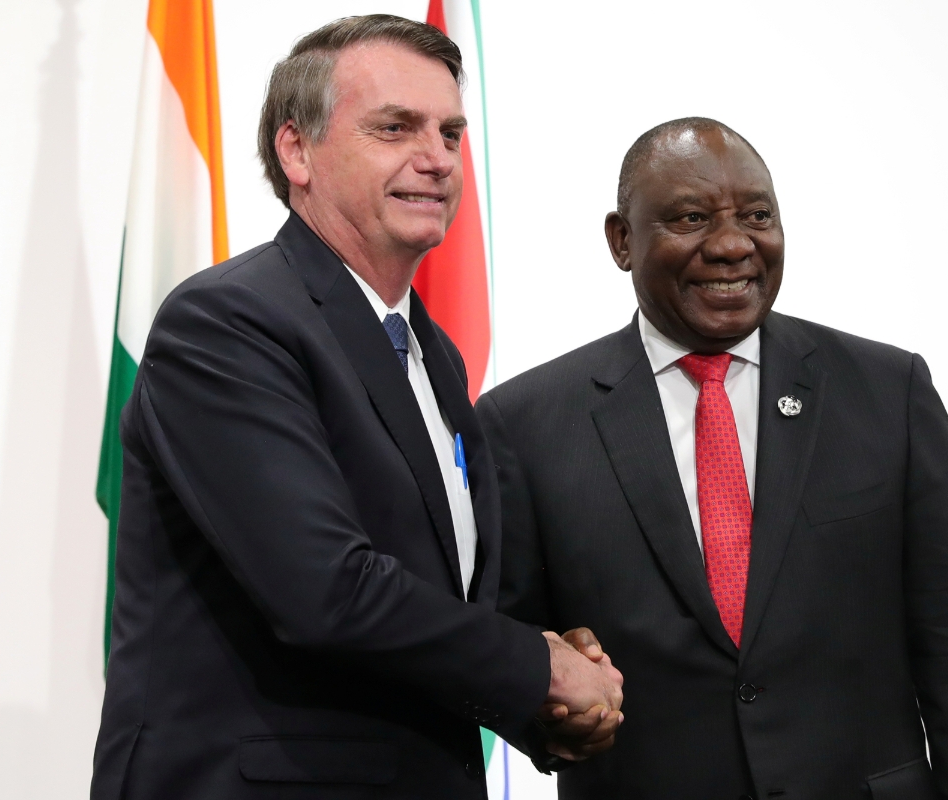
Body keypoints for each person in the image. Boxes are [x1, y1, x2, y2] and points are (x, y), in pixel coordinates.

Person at [90, 16, 622, 800]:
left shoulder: (428, 352)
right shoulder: (228, 323)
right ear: (295, 151)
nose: (436, 158)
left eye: (450, 132)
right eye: (395, 128)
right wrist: (539, 666)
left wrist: (539, 703)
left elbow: (427, 607)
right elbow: (326, 590)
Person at [476, 117, 948, 799]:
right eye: (691, 218)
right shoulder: (522, 423)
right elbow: (505, 647)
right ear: (622, 240)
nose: (734, 245)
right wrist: (554, 719)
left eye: (757, 215)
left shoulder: (889, 393)